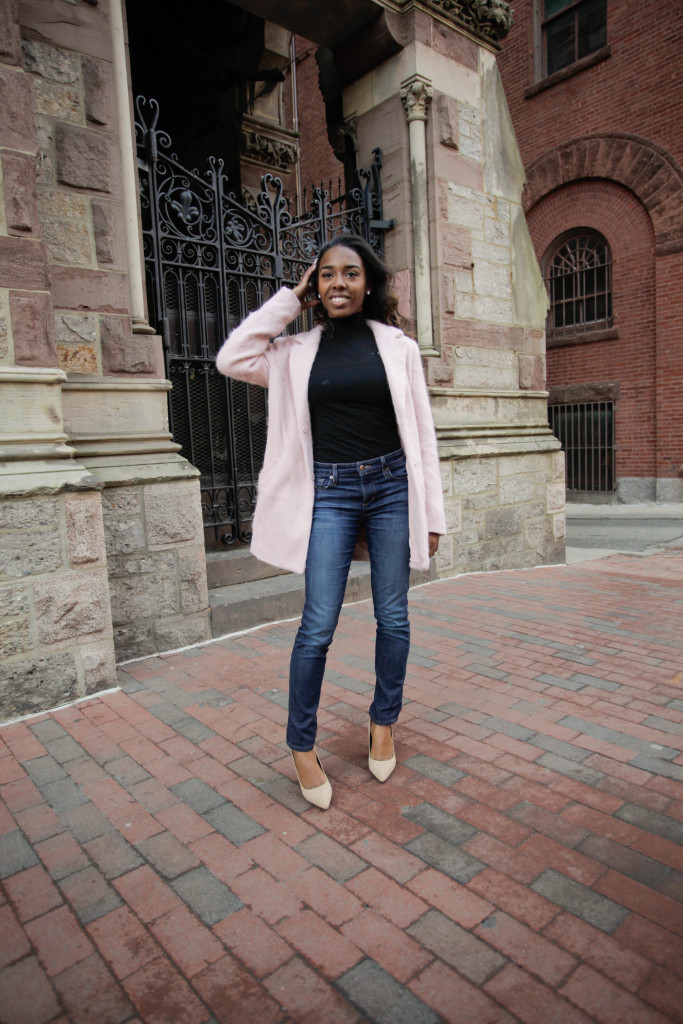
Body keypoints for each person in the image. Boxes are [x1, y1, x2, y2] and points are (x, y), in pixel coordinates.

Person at [216, 234, 446, 809]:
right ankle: (301, 746)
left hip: (393, 488)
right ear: (315, 288)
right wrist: (288, 301)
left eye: (349, 273)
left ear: (368, 283)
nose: (337, 283)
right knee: (317, 625)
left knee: (393, 616)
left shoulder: (399, 348)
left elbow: (421, 435)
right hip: (331, 495)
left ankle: (383, 722)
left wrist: (433, 515)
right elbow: (232, 357)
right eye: (325, 276)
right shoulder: (294, 353)